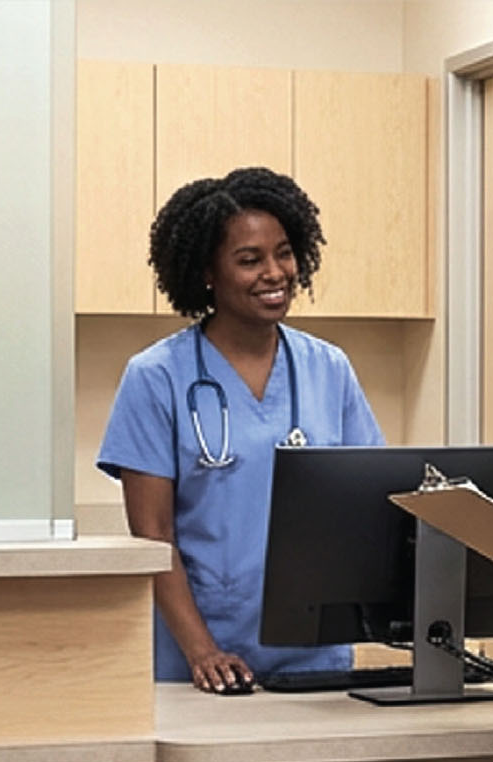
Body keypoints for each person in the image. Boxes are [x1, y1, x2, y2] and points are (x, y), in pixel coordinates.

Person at [97, 167, 385, 693]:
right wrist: (203, 651)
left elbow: (371, 502)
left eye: (284, 253)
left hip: (316, 655)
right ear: (207, 272)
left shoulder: (329, 369)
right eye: (249, 260)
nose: (274, 273)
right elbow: (153, 536)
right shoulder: (156, 377)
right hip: (203, 660)